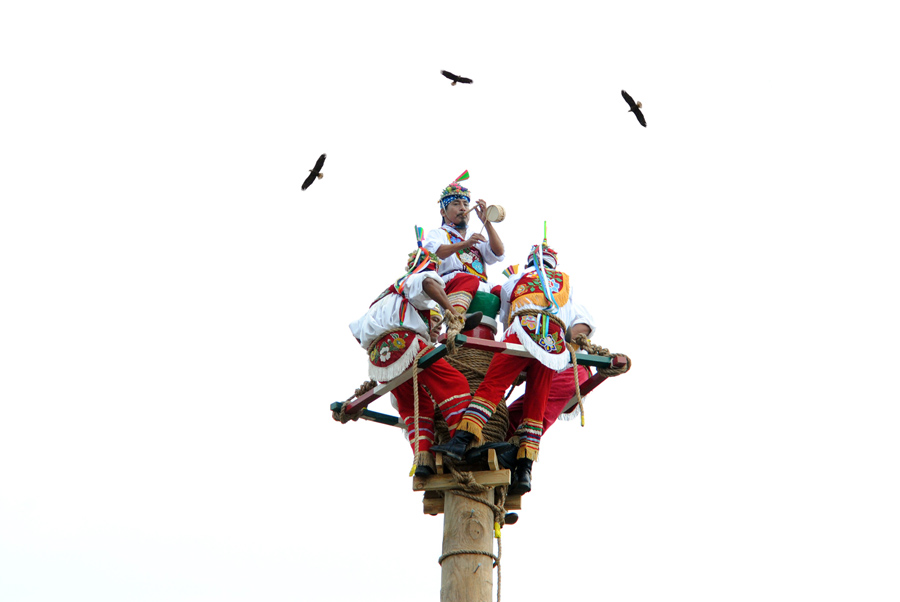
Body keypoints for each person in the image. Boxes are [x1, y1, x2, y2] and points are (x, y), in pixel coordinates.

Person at [433, 239, 596, 495]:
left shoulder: (515, 280)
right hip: (552, 344)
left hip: (522, 332)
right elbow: (582, 322)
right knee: (536, 405)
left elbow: (507, 315)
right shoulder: (566, 283)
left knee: (492, 386)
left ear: (530, 262)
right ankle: (524, 470)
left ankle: (460, 441)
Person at [349, 246, 475, 478]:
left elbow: (358, 334)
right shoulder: (415, 279)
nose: (436, 330)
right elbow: (428, 283)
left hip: (380, 360)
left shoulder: (383, 298)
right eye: (433, 323)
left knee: (415, 408)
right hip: (406, 344)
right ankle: (464, 444)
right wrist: (452, 312)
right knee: (453, 383)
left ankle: (422, 459)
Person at [424, 172, 505, 317]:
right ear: (443, 212)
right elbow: (437, 253)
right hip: (454, 283)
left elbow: (498, 253)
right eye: (456, 204)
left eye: (466, 204)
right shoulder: (438, 233)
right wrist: (466, 243)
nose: (463, 208)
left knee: (504, 292)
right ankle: (456, 318)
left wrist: (486, 223)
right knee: (469, 279)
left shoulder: (474, 235)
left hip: (480, 284)